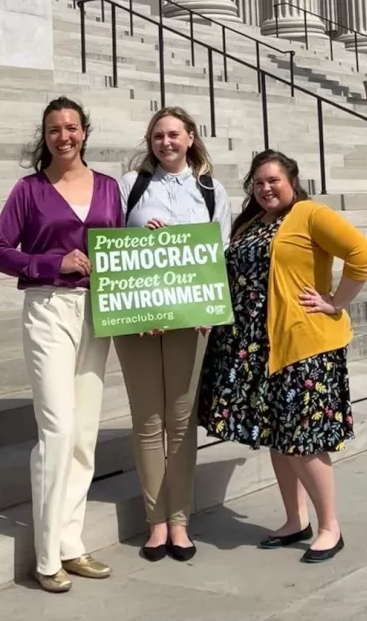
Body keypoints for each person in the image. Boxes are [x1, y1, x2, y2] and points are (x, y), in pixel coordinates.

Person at [198, 150, 367, 564]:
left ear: (292, 181)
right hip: (257, 347)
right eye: (258, 183)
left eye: (273, 180)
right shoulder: (251, 224)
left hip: (303, 345)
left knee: (303, 439)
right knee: (279, 436)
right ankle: (296, 519)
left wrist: (336, 302)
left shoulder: (309, 214)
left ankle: (330, 526)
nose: (265, 189)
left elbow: (361, 254)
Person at [0, 96, 123, 595]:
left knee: (85, 434)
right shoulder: (29, 191)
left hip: (98, 311)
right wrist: (50, 263)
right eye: (52, 129)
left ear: (84, 131)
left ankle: (71, 542)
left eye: (70, 127)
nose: (63, 136)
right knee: (59, 429)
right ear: (44, 137)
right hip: (48, 308)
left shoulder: (109, 188)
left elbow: (123, 248)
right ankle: (46, 557)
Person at [116, 107, 232, 562]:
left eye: (173, 135)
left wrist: (211, 305)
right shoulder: (131, 186)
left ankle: (180, 521)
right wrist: (141, 231)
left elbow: (219, 251)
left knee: (181, 423)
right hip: (140, 319)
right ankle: (155, 522)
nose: (166, 142)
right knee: (147, 422)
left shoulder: (210, 190)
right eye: (158, 136)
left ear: (190, 138)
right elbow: (109, 241)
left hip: (191, 317)